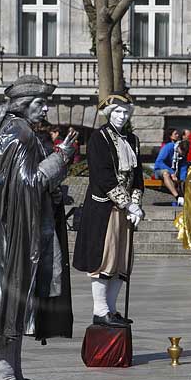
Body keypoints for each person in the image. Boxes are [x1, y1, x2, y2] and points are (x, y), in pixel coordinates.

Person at [0, 75, 77, 380]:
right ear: (24, 104)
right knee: (9, 307)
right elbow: (28, 184)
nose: (46, 109)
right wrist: (61, 157)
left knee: (15, 308)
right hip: (12, 239)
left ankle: (13, 377)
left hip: (16, 234)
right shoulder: (17, 134)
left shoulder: (18, 131)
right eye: (40, 103)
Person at [73, 92, 144, 329]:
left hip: (125, 210)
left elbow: (137, 177)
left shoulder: (132, 140)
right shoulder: (98, 138)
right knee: (105, 260)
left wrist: (136, 205)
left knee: (122, 261)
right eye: (117, 112)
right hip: (105, 208)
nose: (122, 116)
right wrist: (128, 203)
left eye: (125, 112)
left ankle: (112, 310)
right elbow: (103, 176)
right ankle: (100, 310)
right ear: (108, 114)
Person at [154, 129, 186, 204]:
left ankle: (183, 198)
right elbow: (159, 162)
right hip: (160, 170)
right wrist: (172, 173)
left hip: (175, 172)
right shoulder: (169, 147)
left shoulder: (183, 151)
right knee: (166, 173)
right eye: (175, 134)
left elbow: (183, 166)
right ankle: (177, 196)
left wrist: (182, 180)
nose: (178, 135)